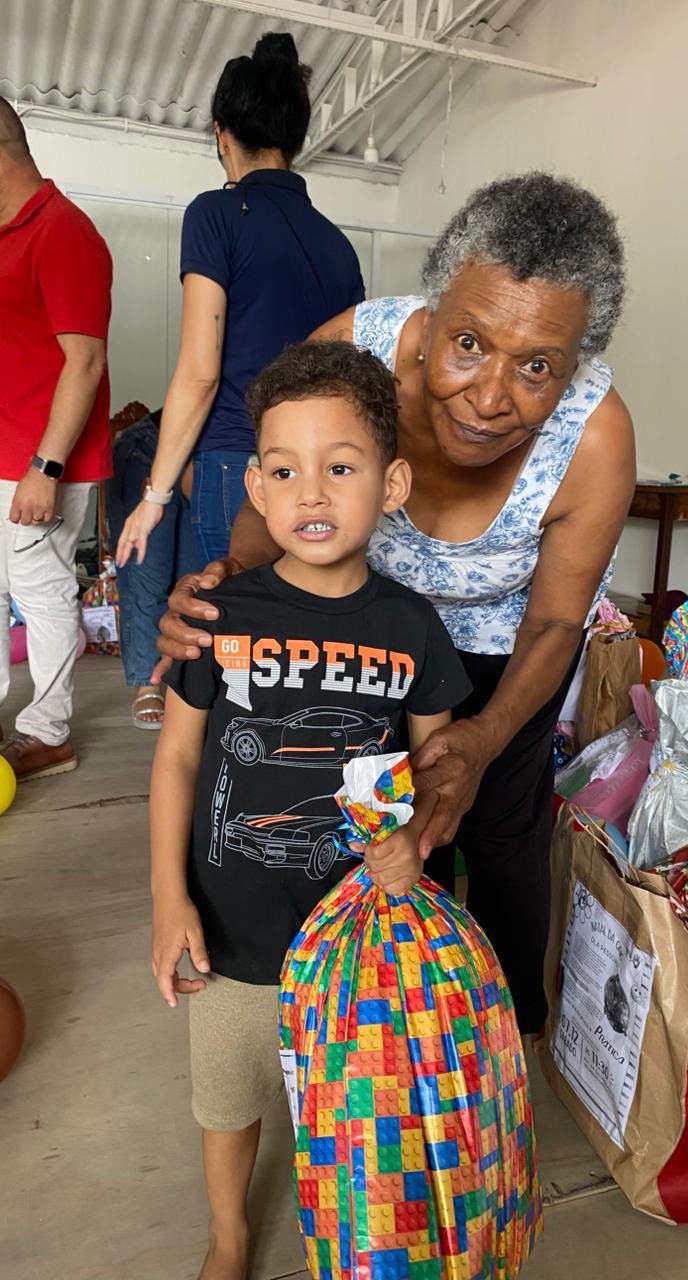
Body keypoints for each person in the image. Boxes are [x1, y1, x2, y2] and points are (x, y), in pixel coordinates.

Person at [156, 172, 636, 1036]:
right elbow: (278, 477)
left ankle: (498, 1040)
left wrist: (487, 737)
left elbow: (559, 621)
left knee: (494, 827)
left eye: (537, 368)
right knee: (374, 829)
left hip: (506, 652)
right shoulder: (358, 351)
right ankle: (379, 1015)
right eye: (467, 345)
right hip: (365, 628)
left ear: (575, 366)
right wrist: (227, 587)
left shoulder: (594, 436)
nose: (490, 397)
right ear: (436, 304)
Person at [151, 341, 471, 1280]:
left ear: (394, 481)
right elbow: (175, 758)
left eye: (342, 468)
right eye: (286, 471)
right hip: (232, 930)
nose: (314, 494)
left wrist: (413, 841)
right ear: (255, 485)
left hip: (359, 939)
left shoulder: (410, 627)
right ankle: (228, 1235)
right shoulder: (222, 613)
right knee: (228, 1096)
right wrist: (168, 898)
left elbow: (431, 764)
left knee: (354, 1100)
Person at [116, 33, 365, 571]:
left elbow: (201, 372)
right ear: (294, 139)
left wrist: (154, 497)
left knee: (234, 631)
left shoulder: (215, 216)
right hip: (320, 469)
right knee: (300, 623)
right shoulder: (339, 247)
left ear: (221, 136)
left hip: (236, 464)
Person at [0, 98, 112, 781]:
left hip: (43, 461)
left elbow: (86, 362)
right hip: (3, 451)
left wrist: (46, 466)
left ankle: (48, 733)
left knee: (39, 591)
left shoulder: (64, 232)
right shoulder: (9, 234)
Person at [107, 408, 199, 728]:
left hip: (204, 454)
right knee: (146, 569)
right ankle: (148, 682)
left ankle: (183, 679)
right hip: (151, 448)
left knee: (193, 573)